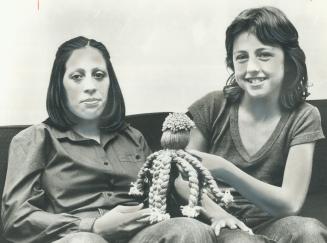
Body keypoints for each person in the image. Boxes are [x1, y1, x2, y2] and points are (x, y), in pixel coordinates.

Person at [1, 36, 217, 243]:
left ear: (109, 82)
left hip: (140, 234)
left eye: (98, 75)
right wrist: (92, 226)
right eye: (77, 76)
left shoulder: (133, 137)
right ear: (60, 84)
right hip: (75, 236)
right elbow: (15, 219)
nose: (90, 86)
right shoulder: (35, 139)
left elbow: (169, 187)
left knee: (190, 229)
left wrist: (218, 213)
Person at [176, 6, 327, 243]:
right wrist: (219, 214)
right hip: (213, 221)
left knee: (310, 230)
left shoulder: (304, 116)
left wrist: (226, 170)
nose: (251, 68)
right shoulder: (212, 106)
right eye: (241, 57)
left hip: (271, 222)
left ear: (287, 60)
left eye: (264, 54)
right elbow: (182, 179)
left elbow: (290, 203)